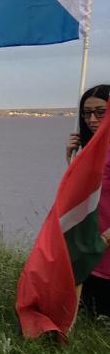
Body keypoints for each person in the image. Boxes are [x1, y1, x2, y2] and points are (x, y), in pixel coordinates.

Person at [66, 85, 110, 316]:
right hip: (91, 247)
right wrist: (72, 161)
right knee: (89, 316)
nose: (92, 119)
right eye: (87, 113)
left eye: (101, 112)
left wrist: (105, 238)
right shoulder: (90, 150)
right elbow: (81, 194)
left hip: (103, 243)